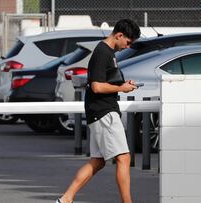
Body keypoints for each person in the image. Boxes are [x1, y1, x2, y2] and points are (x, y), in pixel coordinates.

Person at [56, 19, 141, 203]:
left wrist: (124, 85)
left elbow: (105, 81)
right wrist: (121, 89)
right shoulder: (102, 52)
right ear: (119, 35)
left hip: (100, 111)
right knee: (124, 158)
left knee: (98, 161)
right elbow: (96, 87)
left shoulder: (107, 52)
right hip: (104, 112)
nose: (128, 46)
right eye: (128, 42)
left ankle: (66, 199)